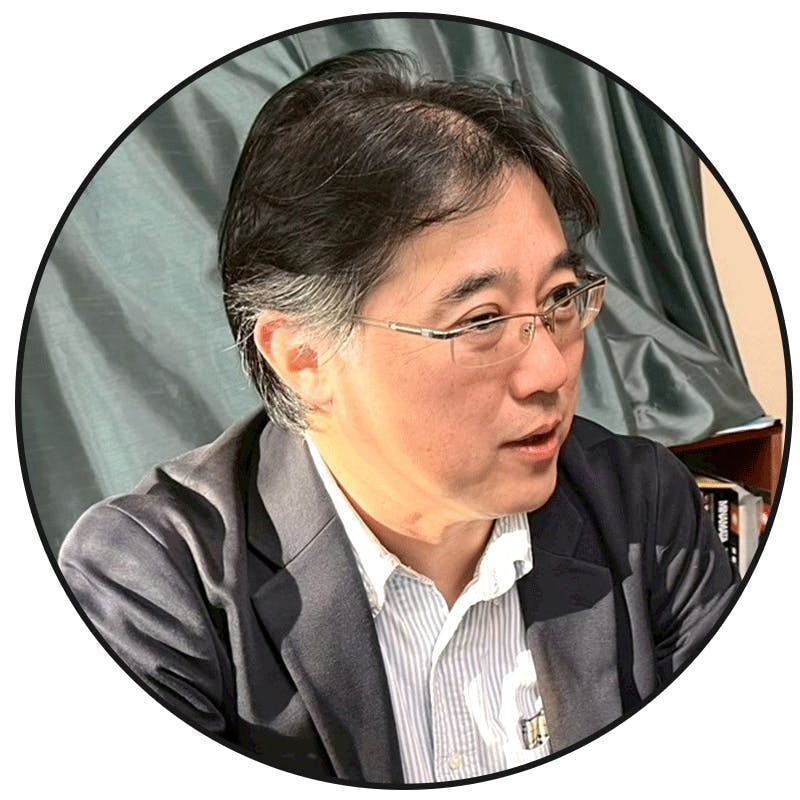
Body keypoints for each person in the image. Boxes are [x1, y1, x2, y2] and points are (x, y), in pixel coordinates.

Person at [59, 49, 738, 785]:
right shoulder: (156, 584)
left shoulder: (639, 508)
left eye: (558, 300)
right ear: (304, 356)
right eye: (481, 321)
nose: (549, 370)